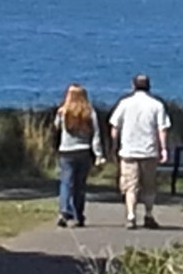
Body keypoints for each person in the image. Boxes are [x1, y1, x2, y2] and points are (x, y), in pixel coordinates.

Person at [109, 73, 171, 229]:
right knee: (149, 186)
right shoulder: (157, 105)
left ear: (133, 86)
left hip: (128, 151)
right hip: (149, 151)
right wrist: (163, 148)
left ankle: (131, 215)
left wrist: (114, 145)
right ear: (149, 86)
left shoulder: (124, 103)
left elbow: (115, 127)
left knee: (130, 186)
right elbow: (162, 129)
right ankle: (148, 214)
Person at [54, 83, 105, 227]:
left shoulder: (63, 111)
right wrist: (98, 154)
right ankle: (78, 215)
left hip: (66, 151)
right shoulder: (89, 112)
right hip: (83, 151)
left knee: (66, 182)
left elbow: (56, 127)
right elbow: (96, 135)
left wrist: (59, 115)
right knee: (79, 185)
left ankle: (64, 211)